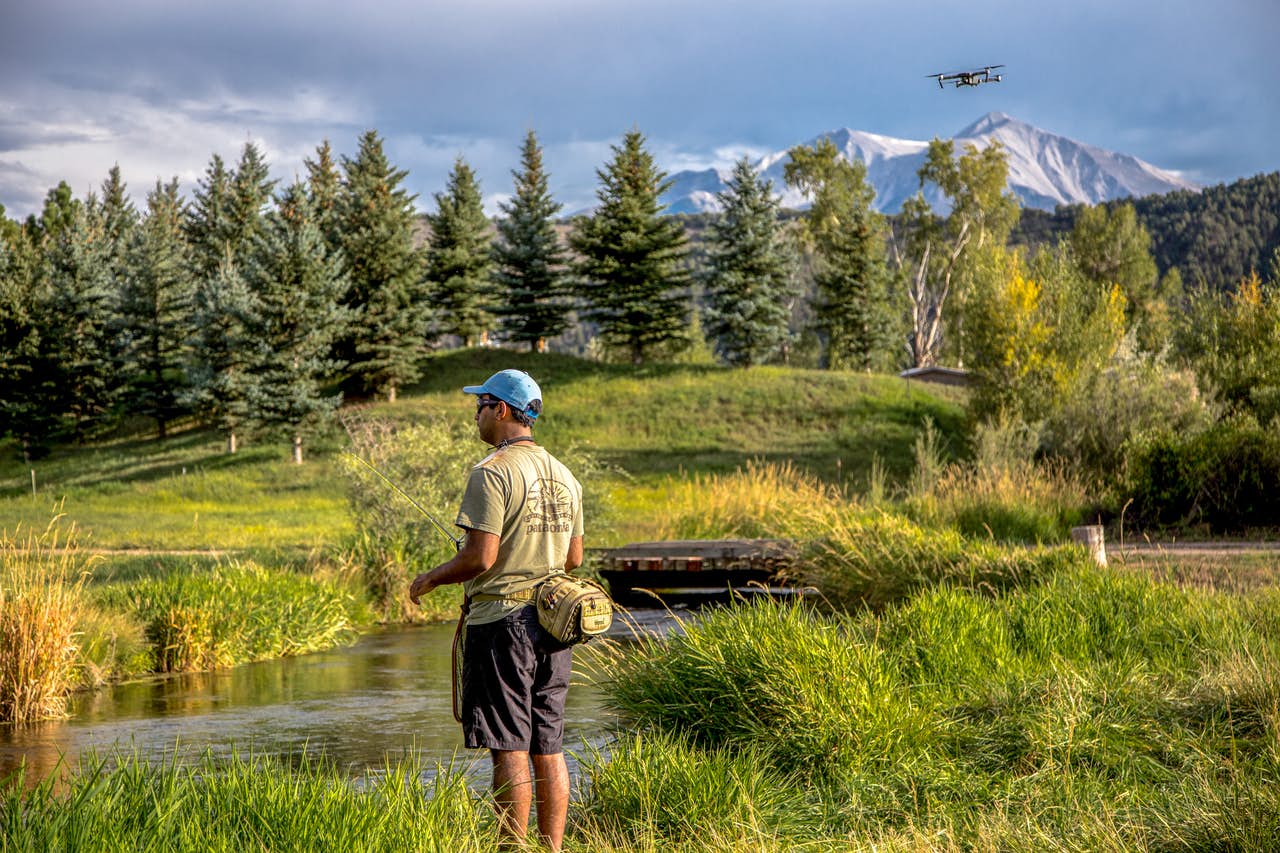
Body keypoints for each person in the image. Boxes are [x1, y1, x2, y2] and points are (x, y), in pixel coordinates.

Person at [409, 369, 583, 852]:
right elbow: (573, 559)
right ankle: (550, 849)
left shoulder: (492, 471)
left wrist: (429, 579)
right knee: (548, 747)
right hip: (556, 623)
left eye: (481, 404)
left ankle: (511, 849)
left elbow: (479, 558)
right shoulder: (565, 474)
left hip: (504, 624)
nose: (476, 413)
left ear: (501, 410)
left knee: (508, 745)